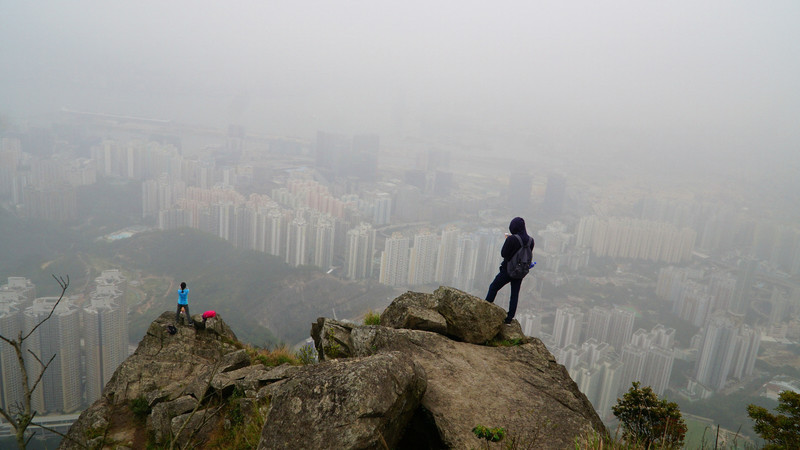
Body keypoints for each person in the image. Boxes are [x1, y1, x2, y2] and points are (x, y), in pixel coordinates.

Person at [485, 217, 535, 324]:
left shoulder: (512, 239)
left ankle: (484, 309)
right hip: (521, 272)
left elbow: (504, 253)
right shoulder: (531, 241)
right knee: (514, 294)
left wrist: (508, 240)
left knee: (493, 287)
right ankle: (509, 318)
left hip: (508, 270)